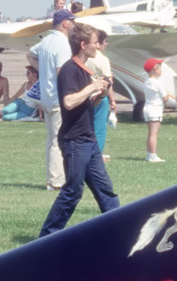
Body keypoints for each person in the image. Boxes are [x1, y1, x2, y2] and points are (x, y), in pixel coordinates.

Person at [38, 24, 120, 237]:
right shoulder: (69, 70)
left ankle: (121, 232)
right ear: (83, 45)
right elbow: (68, 102)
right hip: (75, 140)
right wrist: (92, 87)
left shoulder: (85, 70)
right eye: (94, 43)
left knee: (105, 190)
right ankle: (46, 238)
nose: (98, 47)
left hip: (89, 140)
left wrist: (100, 95)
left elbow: (84, 104)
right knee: (73, 191)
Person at [34, 9, 79, 188]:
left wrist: (43, 71)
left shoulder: (45, 41)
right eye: (72, 21)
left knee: (52, 139)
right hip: (58, 98)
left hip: (46, 96)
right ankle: (55, 181)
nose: (74, 24)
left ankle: (55, 178)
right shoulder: (63, 44)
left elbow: (30, 53)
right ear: (65, 23)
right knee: (58, 140)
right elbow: (63, 73)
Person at [141, 57, 175, 162]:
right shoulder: (158, 83)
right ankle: (152, 155)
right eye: (160, 67)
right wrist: (164, 103)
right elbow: (165, 97)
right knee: (153, 133)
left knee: (150, 133)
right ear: (155, 69)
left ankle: (149, 153)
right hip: (155, 109)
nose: (161, 70)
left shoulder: (147, 82)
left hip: (147, 108)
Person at [90, 29, 114, 159]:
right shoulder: (102, 59)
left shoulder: (86, 57)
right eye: (105, 41)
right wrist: (112, 100)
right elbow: (108, 81)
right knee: (99, 127)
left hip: (86, 94)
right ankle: (97, 154)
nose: (106, 44)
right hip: (100, 94)